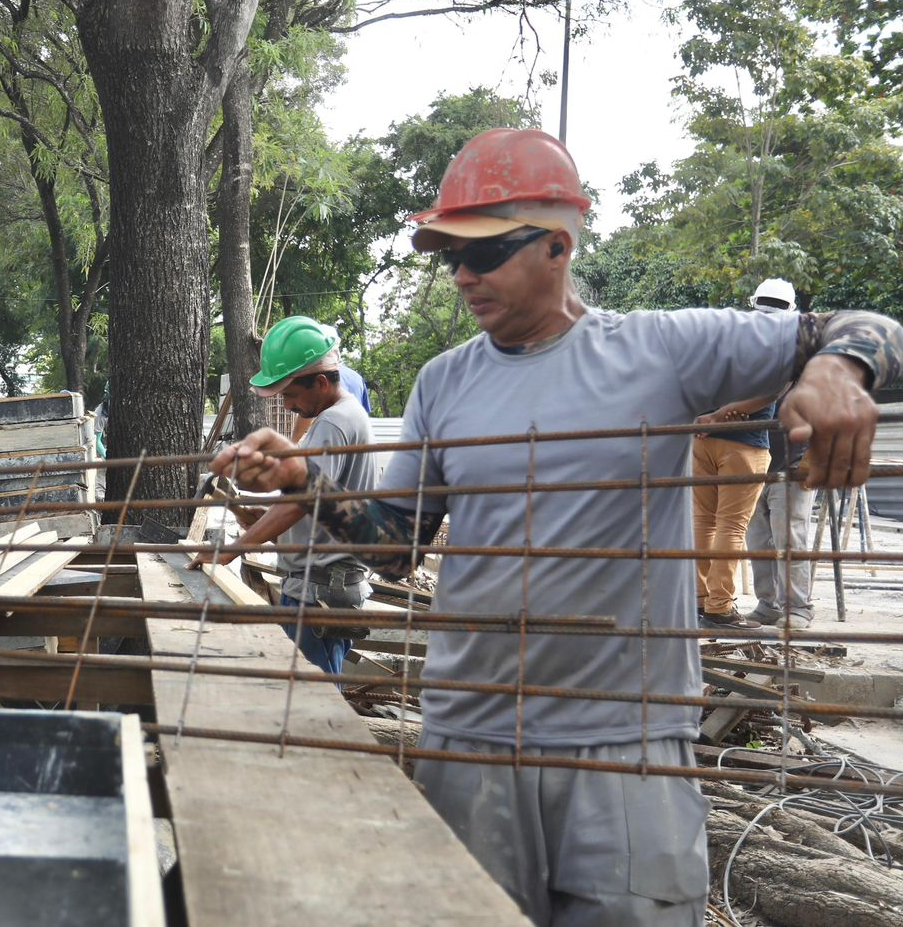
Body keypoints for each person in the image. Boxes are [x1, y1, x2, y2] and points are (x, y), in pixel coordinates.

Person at [210, 128, 900, 926]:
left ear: (558, 246)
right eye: (451, 257)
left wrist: (836, 370)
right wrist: (306, 483)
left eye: (485, 252)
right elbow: (396, 549)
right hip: (468, 735)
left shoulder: (661, 350)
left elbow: (872, 327)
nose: (463, 276)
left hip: (624, 745)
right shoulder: (443, 382)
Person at [195, 315, 378, 674]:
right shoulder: (344, 417)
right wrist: (262, 521)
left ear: (321, 383)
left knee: (311, 696)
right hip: (322, 586)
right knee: (312, 692)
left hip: (319, 590)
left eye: (290, 395)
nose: (289, 406)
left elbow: (302, 502)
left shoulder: (334, 422)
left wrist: (231, 550)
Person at [691, 281, 800, 628]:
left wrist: (706, 417)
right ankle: (719, 608)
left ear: (754, 303)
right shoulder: (782, 346)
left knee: (703, 522)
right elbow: (769, 394)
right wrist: (723, 415)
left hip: (702, 441)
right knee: (732, 526)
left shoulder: (727, 336)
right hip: (745, 445)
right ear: (790, 310)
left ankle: (698, 600)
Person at [743, 280, 818, 630]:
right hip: (753, 458)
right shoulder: (749, 355)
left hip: (794, 459)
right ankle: (768, 604)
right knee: (758, 539)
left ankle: (798, 607)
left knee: (790, 539)